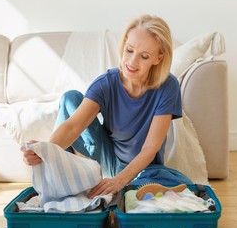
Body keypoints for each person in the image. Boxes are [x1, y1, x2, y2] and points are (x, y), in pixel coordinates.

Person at [21, 14, 193, 198]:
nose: (132, 62)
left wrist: (120, 181)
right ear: (124, 44)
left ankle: (124, 186)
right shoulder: (105, 84)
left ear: (158, 59)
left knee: (185, 186)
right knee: (70, 98)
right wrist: (45, 152)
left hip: (146, 167)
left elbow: (151, 148)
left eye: (144, 56)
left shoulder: (167, 86)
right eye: (129, 50)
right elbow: (73, 126)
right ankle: (71, 178)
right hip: (110, 158)